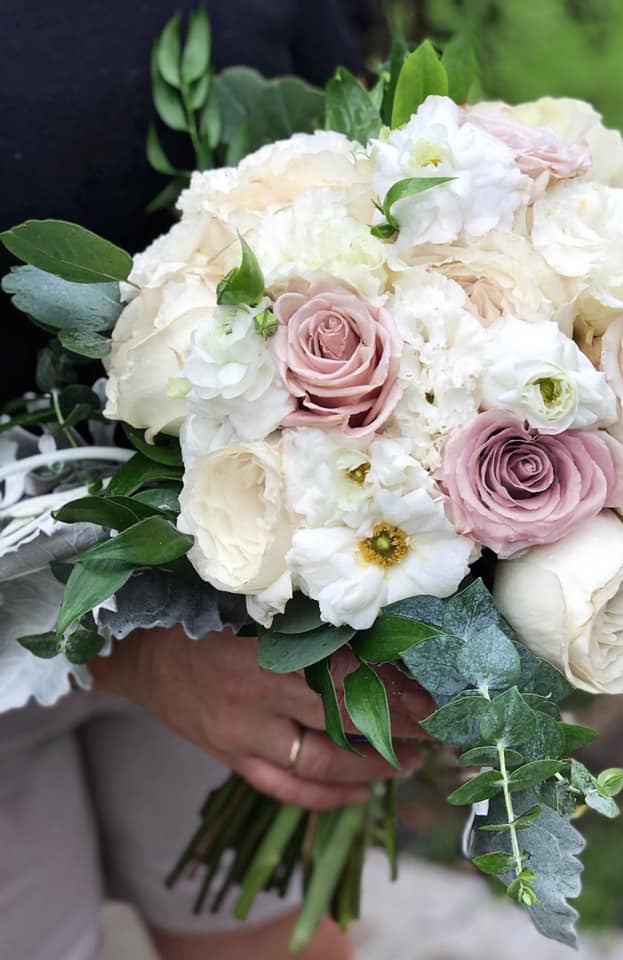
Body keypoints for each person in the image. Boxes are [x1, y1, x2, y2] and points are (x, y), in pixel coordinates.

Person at [0, 4, 432, 959]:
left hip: (225, 591)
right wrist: (136, 658)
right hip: (119, 625)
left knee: (273, 934)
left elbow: (363, 189)